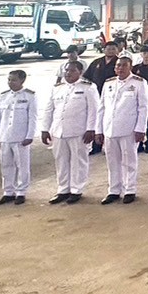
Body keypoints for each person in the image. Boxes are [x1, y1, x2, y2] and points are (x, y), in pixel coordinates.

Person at [40, 60, 99, 204]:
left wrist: (91, 129)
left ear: (80, 72)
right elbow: (49, 109)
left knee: (78, 161)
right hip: (59, 131)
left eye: (72, 71)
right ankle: (63, 189)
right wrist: (45, 129)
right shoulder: (58, 88)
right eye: (67, 70)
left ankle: (76, 190)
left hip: (78, 130)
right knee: (61, 161)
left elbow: (94, 110)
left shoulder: (88, 87)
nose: (68, 73)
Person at [99, 56, 148, 203]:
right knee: (112, 161)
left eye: (124, 66)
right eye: (118, 66)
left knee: (129, 161)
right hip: (110, 128)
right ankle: (114, 190)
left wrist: (141, 128)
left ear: (130, 67)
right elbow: (102, 107)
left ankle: (130, 190)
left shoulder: (139, 83)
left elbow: (143, 107)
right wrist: (99, 130)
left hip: (129, 128)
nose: (120, 68)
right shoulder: (109, 83)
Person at [0, 68, 36, 205]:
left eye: (14, 80)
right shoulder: (3, 96)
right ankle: (8, 191)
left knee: (22, 165)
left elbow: (32, 117)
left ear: (22, 80)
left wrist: (30, 135)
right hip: (4, 136)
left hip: (21, 136)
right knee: (6, 165)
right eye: (9, 80)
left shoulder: (29, 96)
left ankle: (21, 191)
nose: (10, 82)